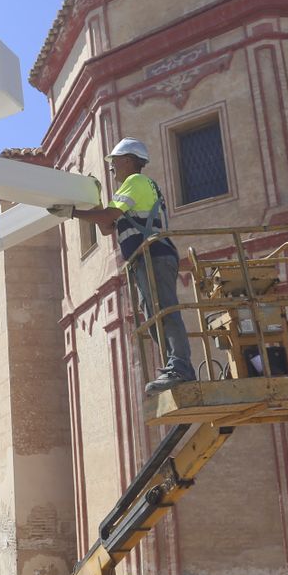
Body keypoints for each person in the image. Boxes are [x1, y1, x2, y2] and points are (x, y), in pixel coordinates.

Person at [77, 138, 196, 394]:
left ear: (129, 160)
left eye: (115, 161)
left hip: (154, 256)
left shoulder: (136, 182)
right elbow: (107, 227)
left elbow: (107, 217)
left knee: (165, 311)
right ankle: (176, 367)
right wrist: (94, 203)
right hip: (147, 259)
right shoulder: (132, 188)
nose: (112, 167)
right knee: (154, 316)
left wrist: (72, 212)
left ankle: (180, 368)